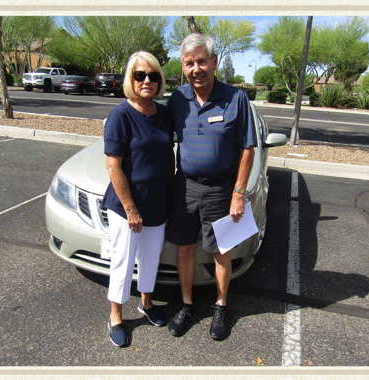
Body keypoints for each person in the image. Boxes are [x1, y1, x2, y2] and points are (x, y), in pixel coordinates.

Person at [166, 33, 257, 341]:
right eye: (190, 63)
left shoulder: (236, 98)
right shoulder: (178, 99)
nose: (196, 69)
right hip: (186, 187)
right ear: (183, 66)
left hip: (222, 189)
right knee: (185, 248)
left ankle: (220, 306)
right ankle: (187, 304)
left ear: (214, 62)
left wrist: (238, 194)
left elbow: (248, 148)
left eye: (202, 61)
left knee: (221, 251)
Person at [100, 51, 174, 347]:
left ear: (160, 81)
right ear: (130, 79)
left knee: (150, 259)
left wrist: (169, 190)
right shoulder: (121, 115)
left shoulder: (164, 113)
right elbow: (113, 165)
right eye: (140, 75)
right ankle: (116, 314)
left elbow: (168, 155)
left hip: (158, 203)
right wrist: (131, 208)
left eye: (153, 76)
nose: (147, 80)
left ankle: (146, 302)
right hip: (126, 206)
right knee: (123, 260)